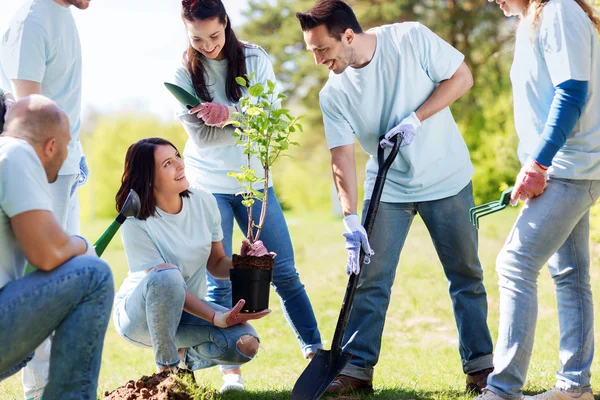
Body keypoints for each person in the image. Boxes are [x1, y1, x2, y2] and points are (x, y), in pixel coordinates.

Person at [296, 0, 494, 394]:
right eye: (312, 51)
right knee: (369, 279)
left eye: (322, 49)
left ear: (348, 35)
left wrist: (415, 118)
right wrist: (350, 217)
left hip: (447, 178)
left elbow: (462, 78)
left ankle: (481, 367)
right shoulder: (334, 93)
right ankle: (356, 370)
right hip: (389, 189)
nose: (318, 59)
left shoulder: (410, 39)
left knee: (466, 275)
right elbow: (342, 157)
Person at [166, 0, 323, 391]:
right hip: (207, 186)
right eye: (197, 38)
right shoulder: (182, 72)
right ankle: (230, 371)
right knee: (221, 275)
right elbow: (201, 136)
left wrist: (229, 113)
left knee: (282, 269)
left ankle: (316, 356)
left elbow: (269, 120)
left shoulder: (253, 60)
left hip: (254, 181)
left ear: (226, 25)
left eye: (215, 35)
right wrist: (240, 115)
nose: (207, 44)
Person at [478, 1, 600, 399]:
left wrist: (539, 165)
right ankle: (575, 387)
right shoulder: (535, 19)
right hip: (564, 167)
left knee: (514, 264)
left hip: (568, 167)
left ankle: (502, 389)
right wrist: (533, 162)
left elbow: (572, 92)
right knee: (570, 275)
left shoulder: (560, 11)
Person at [113, 137, 270, 386]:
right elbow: (164, 284)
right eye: (168, 163)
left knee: (245, 345)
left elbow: (217, 264)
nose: (180, 165)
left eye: (177, 156)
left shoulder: (204, 201)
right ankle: (167, 372)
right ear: (149, 178)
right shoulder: (135, 222)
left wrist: (245, 264)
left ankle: (183, 357)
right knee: (167, 274)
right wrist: (214, 317)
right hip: (139, 318)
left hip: (186, 313)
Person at [0, 0, 93, 397]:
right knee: (46, 277)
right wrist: (44, 168)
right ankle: (40, 391)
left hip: (66, 164)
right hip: (41, 167)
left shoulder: (62, 16)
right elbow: (27, 115)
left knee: (63, 281)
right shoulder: (32, 19)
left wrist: (75, 154)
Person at [0, 95, 113, 399]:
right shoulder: (17, 153)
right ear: (51, 145)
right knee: (93, 274)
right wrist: (83, 245)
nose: (67, 155)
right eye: (67, 145)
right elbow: (48, 254)